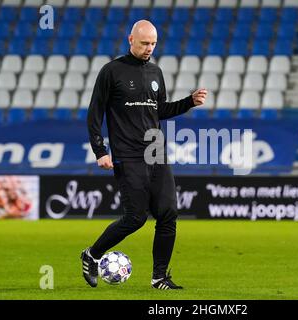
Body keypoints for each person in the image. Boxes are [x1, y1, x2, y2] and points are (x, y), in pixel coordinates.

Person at [81, 20, 207, 290]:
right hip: (128, 155)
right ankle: (92, 254)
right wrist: (100, 150)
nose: (149, 48)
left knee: (168, 212)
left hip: (155, 152)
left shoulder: (155, 72)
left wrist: (189, 101)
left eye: (153, 44)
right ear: (131, 40)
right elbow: (95, 113)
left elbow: (158, 111)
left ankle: (159, 277)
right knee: (135, 218)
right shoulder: (111, 71)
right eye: (144, 43)